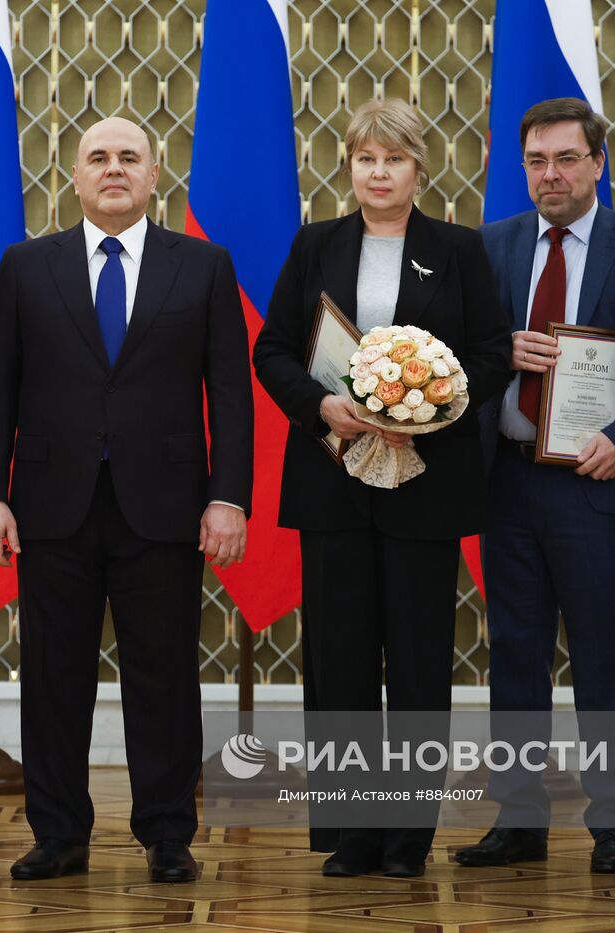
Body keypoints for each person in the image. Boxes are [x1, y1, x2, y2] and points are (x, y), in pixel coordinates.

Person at [0, 116, 252, 884]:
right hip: (50, 506)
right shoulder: (27, 266)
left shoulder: (203, 266)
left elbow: (230, 393)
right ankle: (58, 832)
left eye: (130, 157)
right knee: (53, 676)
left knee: (163, 676)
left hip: (164, 507)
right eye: (98, 157)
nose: (114, 168)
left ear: (156, 174)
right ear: (74, 175)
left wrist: (229, 497)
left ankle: (167, 832)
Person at [253, 97, 510, 878]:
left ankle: (408, 835)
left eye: (393, 159)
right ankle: (352, 832)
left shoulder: (458, 251)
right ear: (349, 165)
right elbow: (272, 352)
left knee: (421, 661)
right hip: (333, 482)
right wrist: (319, 404)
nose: (379, 172)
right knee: (340, 662)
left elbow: (493, 354)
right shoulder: (314, 245)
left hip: (425, 483)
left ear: (417, 168)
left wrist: (435, 410)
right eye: (366, 158)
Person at [454, 98, 615, 873]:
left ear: (598, 164)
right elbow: (465, 356)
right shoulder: (492, 244)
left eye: (567, 159)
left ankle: (614, 823)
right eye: (536, 161)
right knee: (515, 652)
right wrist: (500, 350)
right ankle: (520, 818)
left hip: (593, 479)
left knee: (604, 653)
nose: (551, 175)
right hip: (505, 477)